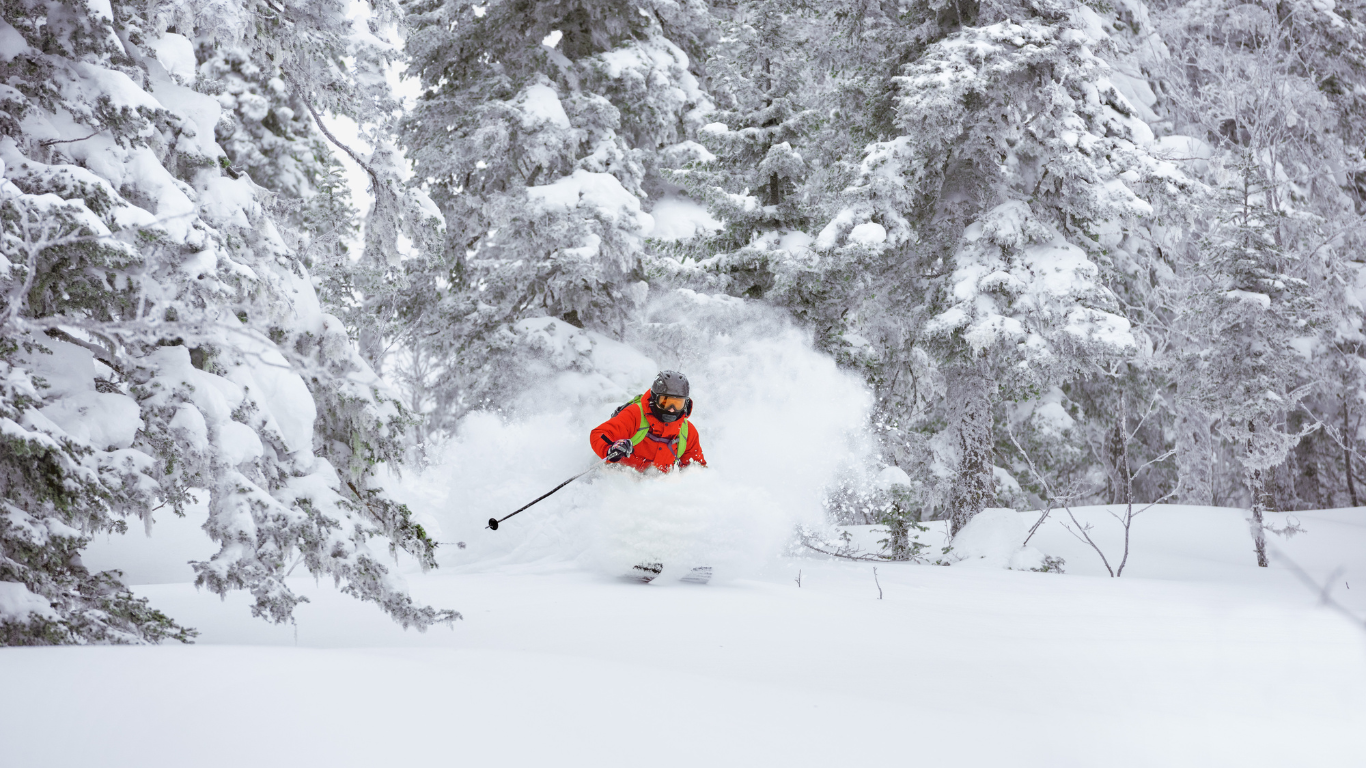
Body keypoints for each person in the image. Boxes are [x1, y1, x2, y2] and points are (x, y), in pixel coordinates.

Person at [591, 370, 707, 472]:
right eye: (665, 402)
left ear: (685, 404)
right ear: (654, 399)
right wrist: (610, 449)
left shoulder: (686, 432)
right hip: (617, 480)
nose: (672, 410)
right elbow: (600, 434)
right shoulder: (635, 415)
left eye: (678, 404)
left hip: (654, 491)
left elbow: (696, 470)